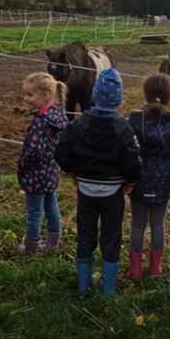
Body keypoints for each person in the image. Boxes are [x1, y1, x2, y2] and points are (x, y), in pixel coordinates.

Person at [55, 68, 141, 296]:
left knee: (85, 235)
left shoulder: (78, 124)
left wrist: (72, 172)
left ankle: (83, 286)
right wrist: (130, 181)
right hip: (113, 193)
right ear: (119, 98)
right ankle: (109, 288)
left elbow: (61, 151)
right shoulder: (123, 127)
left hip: (85, 190)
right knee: (111, 237)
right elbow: (133, 159)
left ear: (95, 94)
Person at [126, 74, 170, 280]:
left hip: (138, 179)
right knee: (158, 224)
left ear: (145, 94)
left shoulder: (134, 120)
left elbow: (125, 149)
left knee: (137, 224)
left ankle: (135, 269)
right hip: (163, 180)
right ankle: (156, 269)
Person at [17, 72, 68, 255]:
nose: (26, 99)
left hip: (36, 174)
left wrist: (22, 165)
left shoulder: (41, 123)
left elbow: (34, 151)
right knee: (51, 207)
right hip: (51, 172)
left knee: (34, 213)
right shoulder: (58, 116)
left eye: (30, 95)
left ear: (45, 95)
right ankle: (53, 243)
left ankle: (31, 248)